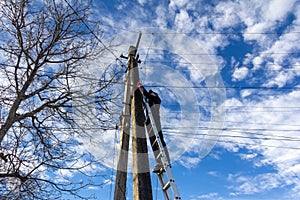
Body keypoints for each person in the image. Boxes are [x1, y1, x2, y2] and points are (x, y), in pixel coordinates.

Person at [136, 82, 171, 173]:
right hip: (150, 124)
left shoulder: (156, 99)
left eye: (152, 93)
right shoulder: (150, 102)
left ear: (154, 94)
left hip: (155, 122)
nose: (151, 93)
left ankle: (167, 160)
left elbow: (147, 95)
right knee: (153, 144)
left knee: (160, 142)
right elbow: (145, 102)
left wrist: (141, 87)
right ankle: (159, 163)